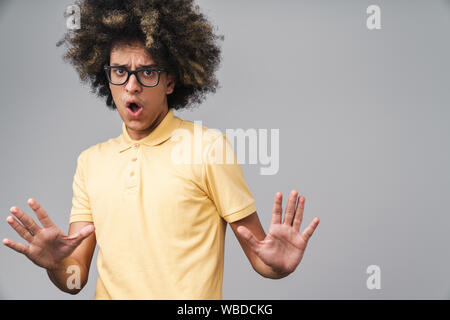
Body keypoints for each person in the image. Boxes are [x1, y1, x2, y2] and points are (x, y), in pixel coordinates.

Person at [2, 0, 320, 299]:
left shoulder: (208, 148)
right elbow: (76, 277)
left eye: (147, 72)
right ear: (107, 78)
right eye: (119, 71)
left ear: (169, 81)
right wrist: (56, 264)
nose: (131, 85)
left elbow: (261, 257)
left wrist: (276, 265)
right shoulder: (91, 162)